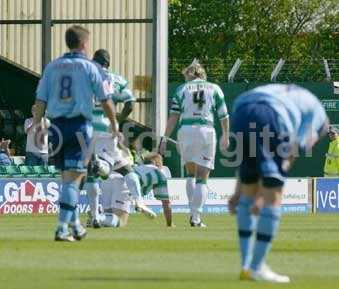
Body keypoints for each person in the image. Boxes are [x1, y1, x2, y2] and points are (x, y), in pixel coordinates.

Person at [228, 84, 328, 283]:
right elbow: (292, 152)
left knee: (247, 194)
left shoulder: (293, 93)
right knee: (273, 197)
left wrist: (238, 191)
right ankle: (257, 267)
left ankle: (245, 267)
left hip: (241, 109)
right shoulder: (318, 117)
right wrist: (265, 192)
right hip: (270, 114)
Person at [33, 25, 120, 242]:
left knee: (67, 179)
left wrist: (37, 126)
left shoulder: (52, 67)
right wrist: (114, 124)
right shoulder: (90, 67)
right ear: (83, 43)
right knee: (75, 179)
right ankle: (62, 229)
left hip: (56, 127)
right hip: (79, 126)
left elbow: (40, 101)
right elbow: (105, 99)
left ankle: (76, 225)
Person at [85, 48, 156, 228]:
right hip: (108, 128)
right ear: (108, 63)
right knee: (126, 169)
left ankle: (94, 215)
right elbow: (131, 104)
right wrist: (117, 121)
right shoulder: (118, 79)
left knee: (97, 173)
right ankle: (139, 200)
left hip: (87, 128)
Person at [159, 59, 229, 227]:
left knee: (190, 173)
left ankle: (192, 210)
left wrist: (164, 138)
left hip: (186, 130)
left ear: (191, 74)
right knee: (203, 177)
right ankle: (195, 217)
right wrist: (226, 134)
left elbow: (173, 117)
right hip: (206, 130)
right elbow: (223, 115)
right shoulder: (215, 89)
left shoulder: (182, 89)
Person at [99, 153, 174, 227]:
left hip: (109, 179)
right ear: (158, 163)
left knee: (109, 218)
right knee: (121, 221)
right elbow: (166, 203)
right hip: (124, 184)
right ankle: (98, 217)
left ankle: (97, 216)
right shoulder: (160, 174)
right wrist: (169, 224)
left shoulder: (137, 167)